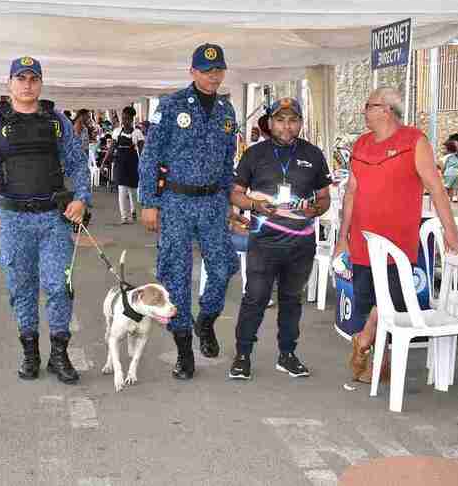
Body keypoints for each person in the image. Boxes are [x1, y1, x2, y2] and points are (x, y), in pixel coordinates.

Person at [334, 87, 458, 383]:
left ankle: (366, 340)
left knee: (390, 301)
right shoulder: (361, 144)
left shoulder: (413, 141)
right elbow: (351, 191)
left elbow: (435, 187)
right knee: (368, 300)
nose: (364, 111)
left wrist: (452, 232)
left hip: (397, 243)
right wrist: (342, 236)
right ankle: (377, 360)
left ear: (386, 109)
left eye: (368, 106)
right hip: (361, 239)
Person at [0, 56, 90, 384]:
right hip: (13, 218)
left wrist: (81, 198)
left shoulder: (57, 120)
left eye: (33, 78)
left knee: (59, 287)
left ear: (41, 82)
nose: (27, 84)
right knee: (21, 287)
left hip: (54, 218)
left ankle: (59, 355)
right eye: (20, 78)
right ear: (9, 83)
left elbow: (78, 163)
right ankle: (30, 353)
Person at [139, 43, 239, 380]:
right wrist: (149, 202)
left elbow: (228, 163)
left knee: (224, 266)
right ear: (193, 72)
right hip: (177, 202)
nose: (213, 76)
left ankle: (206, 319)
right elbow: (150, 157)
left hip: (212, 202)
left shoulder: (227, 113)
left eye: (218, 70)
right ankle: (183, 350)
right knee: (175, 276)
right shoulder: (170, 107)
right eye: (206, 70)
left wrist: (227, 201)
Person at [226, 98, 331, 380]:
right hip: (264, 240)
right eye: (281, 120)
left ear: (300, 123)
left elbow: (324, 198)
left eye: (293, 120)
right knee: (255, 298)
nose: (287, 126)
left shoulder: (314, 154)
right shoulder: (254, 154)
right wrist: (253, 205)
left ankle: (287, 355)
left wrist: (316, 209)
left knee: (291, 300)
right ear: (270, 123)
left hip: (301, 243)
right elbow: (235, 193)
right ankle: (242, 355)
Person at [103, 106, 145, 224]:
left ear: (132, 119)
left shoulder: (137, 133)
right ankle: (124, 217)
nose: (124, 121)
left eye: (127, 119)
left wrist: (144, 165)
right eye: (123, 118)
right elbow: (111, 148)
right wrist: (104, 162)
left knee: (132, 190)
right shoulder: (117, 132)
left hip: (133, 163)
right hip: (120, 163)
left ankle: (133, 211)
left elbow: (142, 152)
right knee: (121, 190)